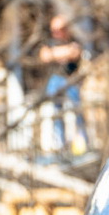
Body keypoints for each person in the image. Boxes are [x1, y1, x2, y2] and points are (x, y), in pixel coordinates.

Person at [38, 14, 88, 159]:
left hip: (71, 80)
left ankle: (82, 142)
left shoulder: (74, 41)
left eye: (59, 29)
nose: (56, 33)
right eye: (54, 30)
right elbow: (44, 56)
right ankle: (59, 145)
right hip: (55, 80)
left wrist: (57, 53)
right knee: (56, 112)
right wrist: (62, 52)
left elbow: (75, 53)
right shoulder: (49, 42)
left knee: (77, 110)